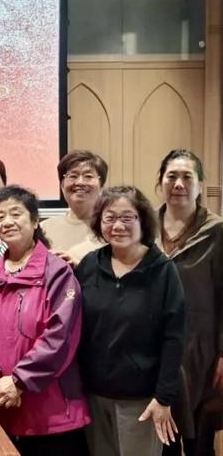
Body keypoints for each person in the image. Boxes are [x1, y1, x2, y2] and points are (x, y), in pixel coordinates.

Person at [0, 185, 90, 456]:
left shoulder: (57, 273)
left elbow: (60, 336)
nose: (7, 221)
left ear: (34, 221)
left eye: (16, 214)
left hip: (52, 410)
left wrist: (18, 381)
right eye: (0, 216)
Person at [76, 185, 185, 456]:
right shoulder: (89, 265)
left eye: (128, 217)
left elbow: (174, 337)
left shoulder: (163, 271)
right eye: (109, 218)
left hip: (142, 399)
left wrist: (163, 397)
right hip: (94, 394)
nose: (118, 226)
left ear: (143, 221)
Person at [155, 150, 223, 456]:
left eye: (187, 177)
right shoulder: (144, 228)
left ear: (199, 185)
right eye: (171, 176)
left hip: (202, 348)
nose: (178, 184)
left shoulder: (217, 231)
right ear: (160, 182)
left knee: (200, 438)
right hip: (155, 347)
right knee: (162, 435)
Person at [42, 150, 108, 263]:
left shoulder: (111, 228)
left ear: (101, 186)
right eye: (73, 176)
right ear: (62, 185)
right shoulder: (44, 228)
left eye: (88, 176)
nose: (80, 182)